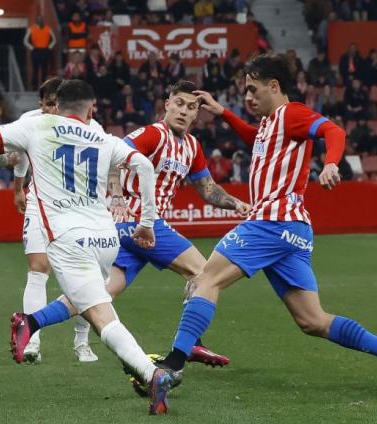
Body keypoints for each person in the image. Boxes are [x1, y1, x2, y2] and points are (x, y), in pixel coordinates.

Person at [156, 54, 377, 397]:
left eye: (252, 90)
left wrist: (330, 164)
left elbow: (333, 130)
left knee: (206, 279)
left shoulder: (291, 113)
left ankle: (174, 363)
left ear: (274, 86)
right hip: (294, 231)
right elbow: (256, 137)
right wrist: (223, 113)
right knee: (313, 321)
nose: (248, 97)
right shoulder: (271, 123)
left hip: (271, 221)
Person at [0, 79, 172, 415]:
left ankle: (148, 372)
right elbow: (144, 165)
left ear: (56, 104)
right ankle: (33, 323)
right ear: (91, 107)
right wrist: (147, 222)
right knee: (91, 303)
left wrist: (0, 162)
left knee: (100, 316)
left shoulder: (36, 124)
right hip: (106, 238)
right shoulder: (103, 136)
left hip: (69, 239)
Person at [28, 80, 251, 369]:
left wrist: (236, 204)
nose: (184, 111)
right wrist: (118, 196)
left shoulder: (192, 147)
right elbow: (111, 155)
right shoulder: (151, 134)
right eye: (179, 103)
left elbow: (207, 189)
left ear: (197, 114)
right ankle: (190, 343)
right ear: (167, 104)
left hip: (132, 232)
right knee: (204, 273)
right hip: (139, 221)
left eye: (192, 107)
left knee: (101, 293)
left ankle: (31, 321)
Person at [8, 78, 102, 363]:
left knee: (86, 274)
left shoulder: (90, 126)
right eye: (49, 104)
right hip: (40, 201)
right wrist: (18, 186)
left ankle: (82, 341)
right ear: (42, 104)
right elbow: (19, 153)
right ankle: (32, 340)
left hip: (79, 208)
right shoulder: (31, 122)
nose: (53, 110)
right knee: (37, 269)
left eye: (57, 104)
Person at [23, 16, 57, 89]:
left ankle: (44, 86)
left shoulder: (48, 28)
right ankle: (34, 86)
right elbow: (25, 41)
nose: (40, 21)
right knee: (35, 69)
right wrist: (32, 48)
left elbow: (54, 40)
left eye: (41, 19)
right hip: (36, 51)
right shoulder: (31, 28)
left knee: (45, 69)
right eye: (39, 20)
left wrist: (49, 47)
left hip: (45, 50)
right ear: (36, 21)